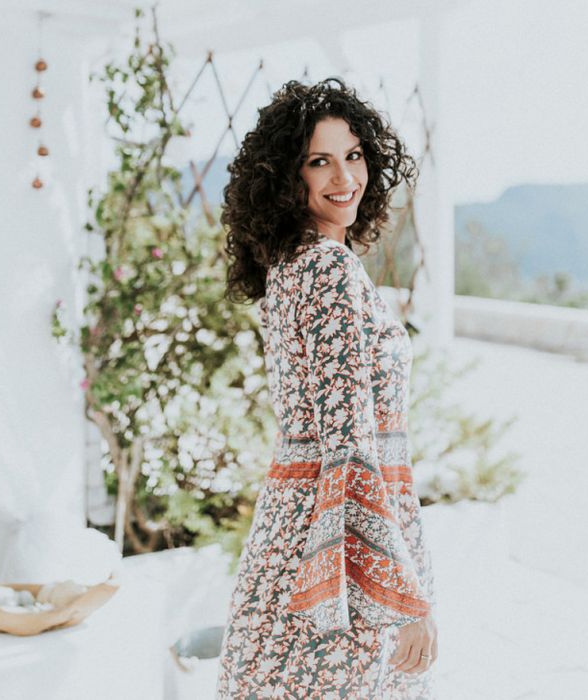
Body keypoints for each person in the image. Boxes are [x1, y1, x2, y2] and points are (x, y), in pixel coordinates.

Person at [215, 77, 438, 699]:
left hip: (297, 524)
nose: (344, 176)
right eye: (320, 161)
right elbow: (350, 446)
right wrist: (406, 598)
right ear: (290, 178)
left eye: (354, 155)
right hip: (336, 546)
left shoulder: (289, 265)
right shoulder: (327, 268)